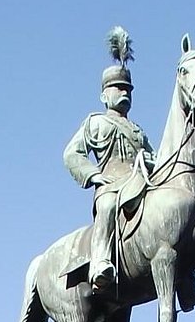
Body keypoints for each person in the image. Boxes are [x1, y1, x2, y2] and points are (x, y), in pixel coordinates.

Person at [63, 27, 154, 295]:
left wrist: (151, 161)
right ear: (104, 95)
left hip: (141, 183)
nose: (124, 93)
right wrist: (92, 175)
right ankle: (100, 262)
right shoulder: (95, 123)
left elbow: (155, 157)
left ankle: (186, 284)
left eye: (127, 89)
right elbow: (72, 153)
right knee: (106, 206)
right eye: (117, 88)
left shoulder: (138, 130)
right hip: (112, 184)